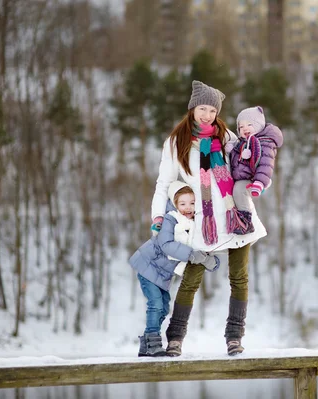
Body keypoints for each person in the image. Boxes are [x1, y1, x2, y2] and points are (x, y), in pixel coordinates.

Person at [150, 80, 268, 357]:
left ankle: (234, 337)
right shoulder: (176, 142)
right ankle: (175, 338)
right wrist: (157, 215)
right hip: (205, 221)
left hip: (235, 214)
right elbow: (162, 182)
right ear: (192, 109)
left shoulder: (226, 136)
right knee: (191, 279)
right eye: (203, 108)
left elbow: (254, 163)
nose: (207, 115)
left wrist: (261, 182)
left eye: (212, 111)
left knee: (239, 278)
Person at [130, 180, 220, 357]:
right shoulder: (170, 219)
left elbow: (199, 247)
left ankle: (146, 344)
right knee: (155, 304)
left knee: (163, 308)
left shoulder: (196, 224)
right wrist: (192, 255)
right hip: (149, 265)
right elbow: (166, 245)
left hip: (162, 274)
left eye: (192, 203)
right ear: (175, 204)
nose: (188, 207)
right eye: (183, 203)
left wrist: (210, 260)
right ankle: (153, 342)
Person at [224, 106, 283, 234]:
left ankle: (245, 222)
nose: (244, 128)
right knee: (235, 190)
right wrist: (231, 149)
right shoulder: (242, 143)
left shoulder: (264, 143)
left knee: (240, 190)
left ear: (259, 125)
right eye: (241, 127)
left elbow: (266, 165)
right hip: (242, 178)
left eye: (249, 125)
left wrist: (259, 183)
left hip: (254, 180)